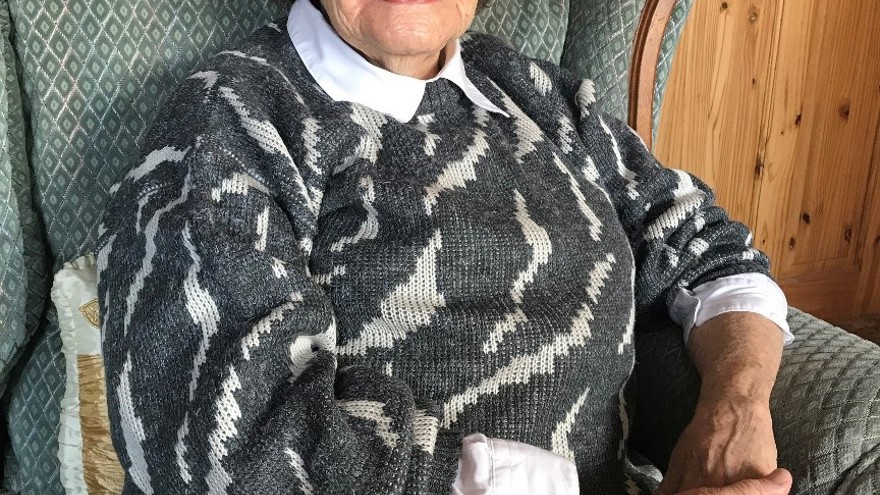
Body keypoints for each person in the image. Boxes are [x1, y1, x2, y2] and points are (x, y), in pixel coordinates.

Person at [96, 0, 795, 493]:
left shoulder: (539, 95)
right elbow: (218, 445)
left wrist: (736, 406)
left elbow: (713, 250)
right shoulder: (231, 116)